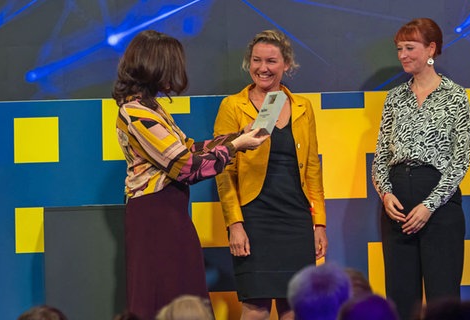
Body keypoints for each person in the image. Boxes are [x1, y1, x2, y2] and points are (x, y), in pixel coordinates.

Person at [112, 30, 269, 320]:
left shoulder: (152, 108)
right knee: (161, 293)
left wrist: (236, 138)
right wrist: (235, 146)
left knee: (182, 288)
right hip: (154, 216)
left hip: (170, 212)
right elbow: (185, 166)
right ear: (154, 66)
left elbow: (187, 148)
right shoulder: (135, 113)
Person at [213, 29, 328, 320]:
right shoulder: (232, 106)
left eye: (271, 61)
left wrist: (319, 224)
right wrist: (234, 224)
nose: (263, 68)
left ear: (286, 64)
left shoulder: (303, 106)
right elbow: (223, 172)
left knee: (294, 305)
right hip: (254, 218)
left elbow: (312, 168)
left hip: (296, 217)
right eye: (256, 60)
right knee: (256, 306)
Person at [371, 18, 470, 320]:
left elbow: (460, 160)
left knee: (444, 297)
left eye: (410, 47)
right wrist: (386, 194)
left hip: (439, 204)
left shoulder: (455, 96)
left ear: (431, 49)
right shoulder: (394, 98)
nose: (402, 54)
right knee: (401, 297)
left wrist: (429, 205)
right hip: (397, 204)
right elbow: (380, 157)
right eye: (399, 48)